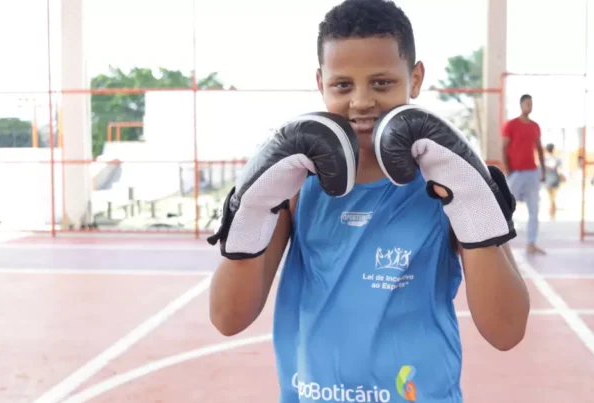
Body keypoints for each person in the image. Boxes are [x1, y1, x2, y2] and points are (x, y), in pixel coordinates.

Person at [206, 1, 531, 402]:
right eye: (343, 85)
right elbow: (227, 318)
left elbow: (507, 331)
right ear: (320, 82)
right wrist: (250, 206)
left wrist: (474, 205)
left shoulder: (448, 181)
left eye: (382, 83)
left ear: (415, 78)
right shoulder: (294, 185)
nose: (361, 102)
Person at [501, 94, 546, 254]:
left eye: (531, 104)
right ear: (521, 105)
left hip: (532, 173)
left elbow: (539, 149)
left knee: (534, 210)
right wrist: (507, 170)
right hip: (516, 173)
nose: (529, 106)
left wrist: (543, 170)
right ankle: (499, 242)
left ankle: (531, 243)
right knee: (505, 207)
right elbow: (504, 148)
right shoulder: (511, 125)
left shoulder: (535, 126)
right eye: (527, 104)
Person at [543, 143, 564, 220]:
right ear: (553, 149)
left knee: (550, 198)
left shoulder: (544, 159)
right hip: (555, 179)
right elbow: (559, 170)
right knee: (553, 198)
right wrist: (562, 177)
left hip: (547, 180)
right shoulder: (557, 159)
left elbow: (542, 169)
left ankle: (551, 213)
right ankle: (552, 213)